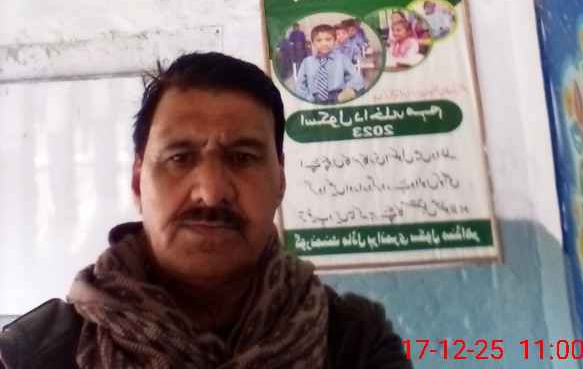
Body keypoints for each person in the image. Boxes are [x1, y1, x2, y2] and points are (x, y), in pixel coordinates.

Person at [0, 52, 411, 369]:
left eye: (243, 157)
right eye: (180, 157)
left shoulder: (355, 342)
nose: (211, 193)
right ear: (137, 181)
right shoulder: (30, 355)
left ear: (280, 180)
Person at [296, 25, 364, 103]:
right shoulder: (306, 62)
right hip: (314, 100)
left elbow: (357, 79)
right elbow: (300, 86)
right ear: (313, 43)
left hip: (338, 98)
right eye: (319, 40)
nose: (324, 43)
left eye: (328, 39)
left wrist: (348, 91)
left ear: (334, 41)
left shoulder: (342, 59)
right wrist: (310, 100)